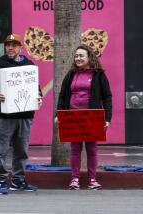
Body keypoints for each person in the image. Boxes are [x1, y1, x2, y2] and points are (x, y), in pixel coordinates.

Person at [0, 34, 43, 195]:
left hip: (25, 115)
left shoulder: (29, 65)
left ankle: (18, 180)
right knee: (1, 150)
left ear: (20, 48)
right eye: (8, 45)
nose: (10, 48)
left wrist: (39, 97)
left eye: (14, 45)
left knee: (22, 150)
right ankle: (1, 180)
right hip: (4, 116)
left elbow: (35, 89)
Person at [55, 44, 112, 190]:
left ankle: (92, 179)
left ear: (89, 58)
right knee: (75, 148)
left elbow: (107, 97)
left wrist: (107, 118)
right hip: (73, 117)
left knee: (92, 148)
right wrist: (58, 114)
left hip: (92, 117)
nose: (78, 58)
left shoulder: (99, 74)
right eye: (76, 56)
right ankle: (75, 179)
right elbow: (62, 96)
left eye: (81, 56)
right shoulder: (71, 74)